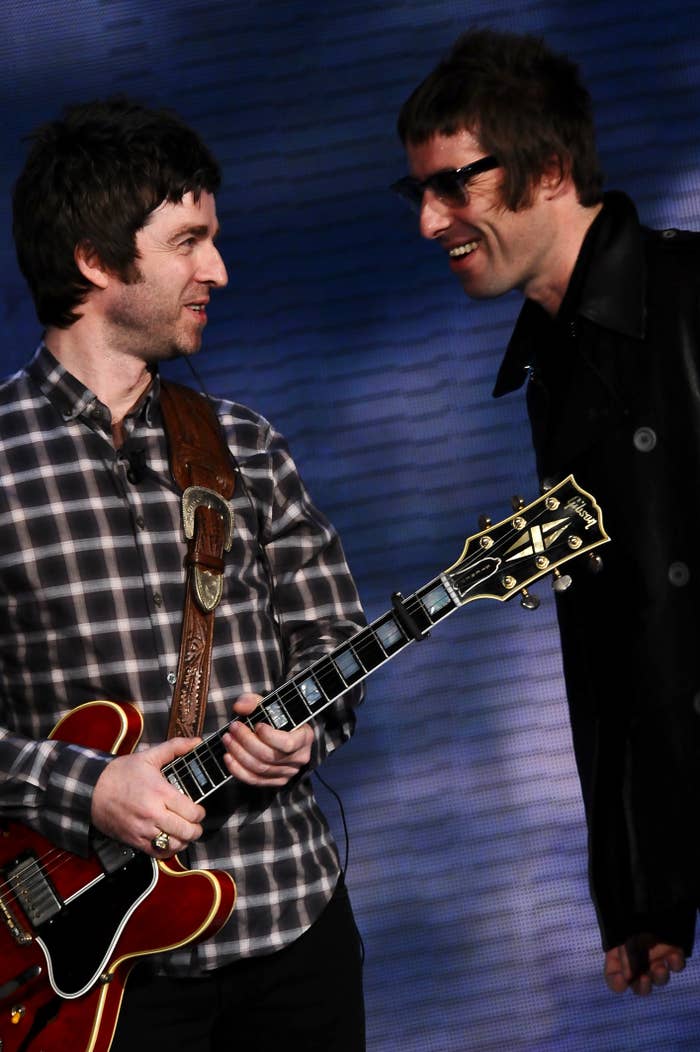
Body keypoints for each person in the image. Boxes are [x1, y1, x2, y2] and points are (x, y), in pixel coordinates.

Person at [1, 96, 367, 1050]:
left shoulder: (242, 442)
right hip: (95, 977)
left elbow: (333, 640)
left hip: (296, 930)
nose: (220, 270)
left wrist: (305, 730)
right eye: (189, 241)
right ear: (94, 259)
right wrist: (84, 790)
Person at [392, 26, 700, 997]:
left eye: (454, 186)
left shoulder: (692, 292)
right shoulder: (550, 369)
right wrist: (637, 886)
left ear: (551, 168)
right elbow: (607, 646)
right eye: (420, 192)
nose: (429, 222)